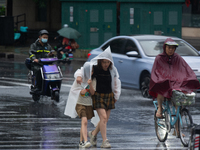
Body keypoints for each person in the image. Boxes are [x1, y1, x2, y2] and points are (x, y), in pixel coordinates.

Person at [149, 38, 200, 135]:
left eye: (173, 48)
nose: (171, 50)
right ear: (165, 47)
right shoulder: (159, 58)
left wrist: (190, 78)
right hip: (164, 83)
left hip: (175, 84)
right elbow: (156, 71)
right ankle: (159, 108)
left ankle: (177, 130)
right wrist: (161, 79)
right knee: (161, 89)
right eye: (169, 47)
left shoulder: (177, 58)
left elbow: (185, 69)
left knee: (178, 105)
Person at [75, 47, 121, 148]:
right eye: (104, 62)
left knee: (105, 120)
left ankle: (93, 134)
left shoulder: (112, 70)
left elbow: (116, 82)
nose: (106, 64)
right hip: (98, 95)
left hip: (109, 95)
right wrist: (79, 76)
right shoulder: (95, 68)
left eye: (107, 62)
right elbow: (82, 69)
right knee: (103, 118)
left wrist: (116, 95)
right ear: (100, 61)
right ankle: (105, 141)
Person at [76, 75, 96, 148]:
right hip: (80, 103)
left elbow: (93, 93)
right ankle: (85, 141)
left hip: (88, 104)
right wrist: (79, 76)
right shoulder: (82, 75)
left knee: (83, 123)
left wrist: (90, 84)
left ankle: (81, 142)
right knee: (84, 121)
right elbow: (78, 74)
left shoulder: (95, 80)